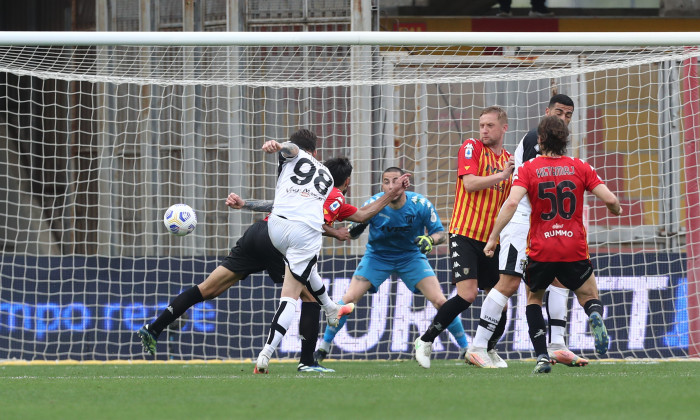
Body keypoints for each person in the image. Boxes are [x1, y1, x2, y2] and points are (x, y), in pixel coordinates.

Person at [225, 156, 410, 371]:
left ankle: (330, 308)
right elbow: (321, 220)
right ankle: (266, 354)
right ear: (347, 181)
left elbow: (360, 216)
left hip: (276, 234)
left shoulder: (309, 188)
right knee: (290, 298)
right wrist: (391, 195)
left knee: (309, 276)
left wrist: (246, 204)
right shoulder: (335, 197)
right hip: (300, 240)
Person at [484, 115, 622, 373]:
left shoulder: (528, 168)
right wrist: (616, 208)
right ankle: (593, 314)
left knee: (534, 299)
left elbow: (512, 203)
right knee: (589, 295)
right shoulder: (581, 166)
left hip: (541, 248)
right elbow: (610, 199)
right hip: (573, 248)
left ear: (541, 140)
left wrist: (493, 237)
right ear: (565, 140)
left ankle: (541, 357)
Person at [467, 94, 589, 368]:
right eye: (559, 112)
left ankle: (557, 344)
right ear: (547, 112)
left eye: (568, 115)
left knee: (559, 279)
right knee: (508, 284)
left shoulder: (557, 145)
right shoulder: (538, 138)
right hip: (523, 220)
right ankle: (477, 345)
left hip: (544, 224)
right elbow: (532, 190)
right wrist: (495, 235)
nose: (564, 118)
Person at [314, 167, 469, 364]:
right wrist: (352, 230)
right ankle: (323, 347)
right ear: (382, 185)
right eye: (386, 182)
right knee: (349, 299)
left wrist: (430, 239)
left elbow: (440, 233)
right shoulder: (373, 205)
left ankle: (465, 348)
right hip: (377, 257)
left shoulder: (420, 204)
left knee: (440, 300)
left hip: (411, 257)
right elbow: (352, 234)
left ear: (404, 184)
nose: (390, 186)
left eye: (395, 181)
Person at [414, 106, 514, 369]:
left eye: (490, 125)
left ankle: (488, 349)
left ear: (504, 128)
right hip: (465, 234)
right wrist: (503, 175)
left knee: (500, 301)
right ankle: (425, 340)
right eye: (482, 125)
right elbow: (469, 184)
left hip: (493, 240)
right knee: (467, 295)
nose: (484, 130)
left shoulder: (509, 159)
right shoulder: (471, 147)